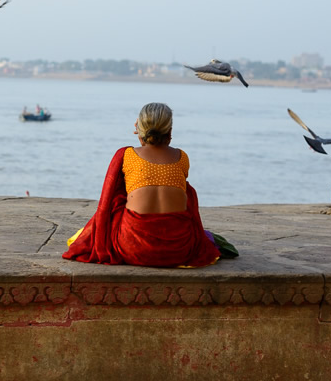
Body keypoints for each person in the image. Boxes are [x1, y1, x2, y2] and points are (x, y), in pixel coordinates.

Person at [63, 102, 225, 268]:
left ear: (140, 130)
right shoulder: (182, 157)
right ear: (170, 131)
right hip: (179, 250)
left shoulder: (126, 155)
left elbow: (110, 198)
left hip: (133, 248)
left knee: (118, 195)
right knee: (187, 191)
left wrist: (141, 136)